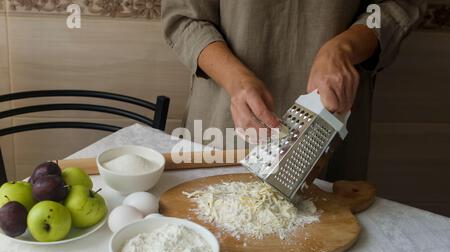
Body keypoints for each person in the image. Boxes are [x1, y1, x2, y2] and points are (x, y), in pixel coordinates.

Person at [162, 0, 426, 181]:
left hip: (332, 118)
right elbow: (185, 17)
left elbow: (396, 6)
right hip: (223, 119)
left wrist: (344, 48)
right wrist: (236, 81)